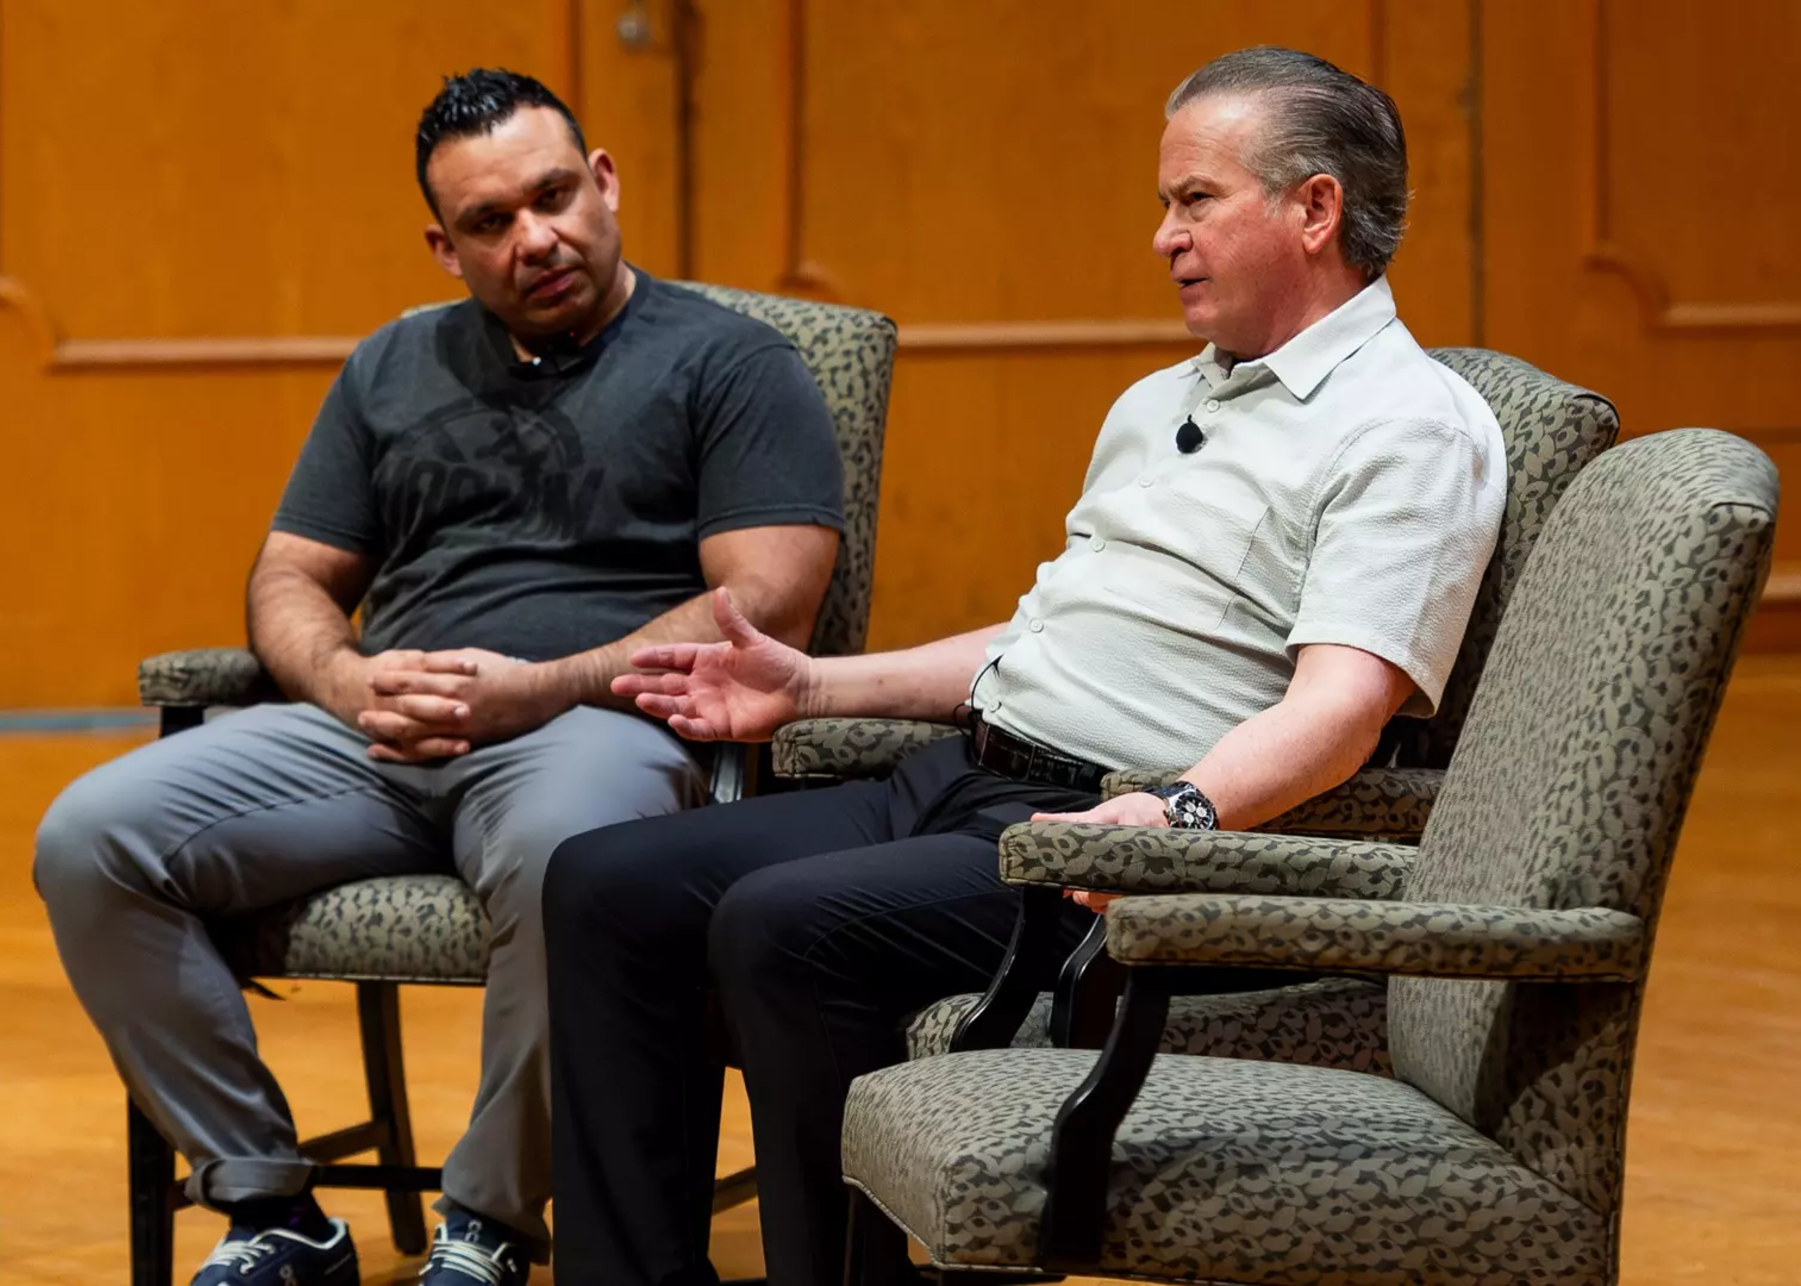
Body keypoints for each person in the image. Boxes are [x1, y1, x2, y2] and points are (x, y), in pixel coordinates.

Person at [542, 46, 1509, 1286]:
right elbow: (1042, 637)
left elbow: (1344, 708)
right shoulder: (1161, 400)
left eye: (1195, 200)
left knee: (786, 926)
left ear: (1314, 208)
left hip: (1117, 847)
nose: (1164, 236)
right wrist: (813, 685)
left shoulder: (1409, 426)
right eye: (1166, 202)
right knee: (605, 881)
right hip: (966, 780)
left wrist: (1175, 815)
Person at [31, 69, 846, 1286]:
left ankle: (490, 1222)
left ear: (605, 182)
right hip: (383, 729)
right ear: (444, 246)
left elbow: (767, 601)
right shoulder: (393, 363)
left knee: (577, 857)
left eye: (554, 196)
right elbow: (289, 574)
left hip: (594, 719)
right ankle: (269, 1206)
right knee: (91, 836)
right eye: (490, 221)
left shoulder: (730, 360)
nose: (537, 238)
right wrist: (344, 680)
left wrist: (541, 686)